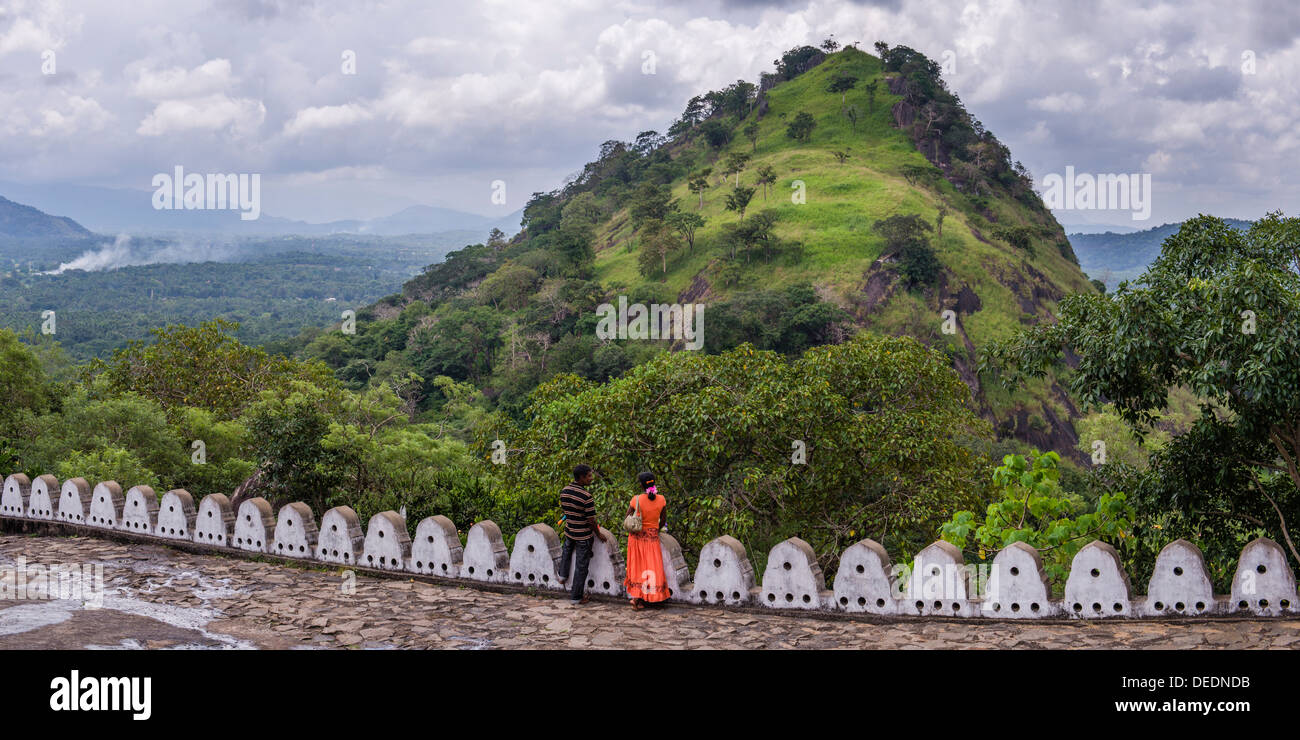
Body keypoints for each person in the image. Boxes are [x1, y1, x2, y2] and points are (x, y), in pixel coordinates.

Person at [556, 464, 609, 605]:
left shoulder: (564, 491)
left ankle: (562, 575)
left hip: (570, 530)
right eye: (589, 476)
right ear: (581, 477)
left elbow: (568, 512)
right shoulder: (586, 497)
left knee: (566, 551)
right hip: (583, 536)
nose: (591, 479)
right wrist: (598, 534)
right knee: (581, 566)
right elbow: (591, 520)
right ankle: (576, 597)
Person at [624, 471, 670, 610]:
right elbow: (663, 520)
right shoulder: (661, 499)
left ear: (641, 485)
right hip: (652, 538)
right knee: (652, 567)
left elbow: (627, 517)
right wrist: (655, 529)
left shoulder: (636, 499)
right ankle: (653, 598)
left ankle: (636, 598)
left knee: (637, 567)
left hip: (636, 539)